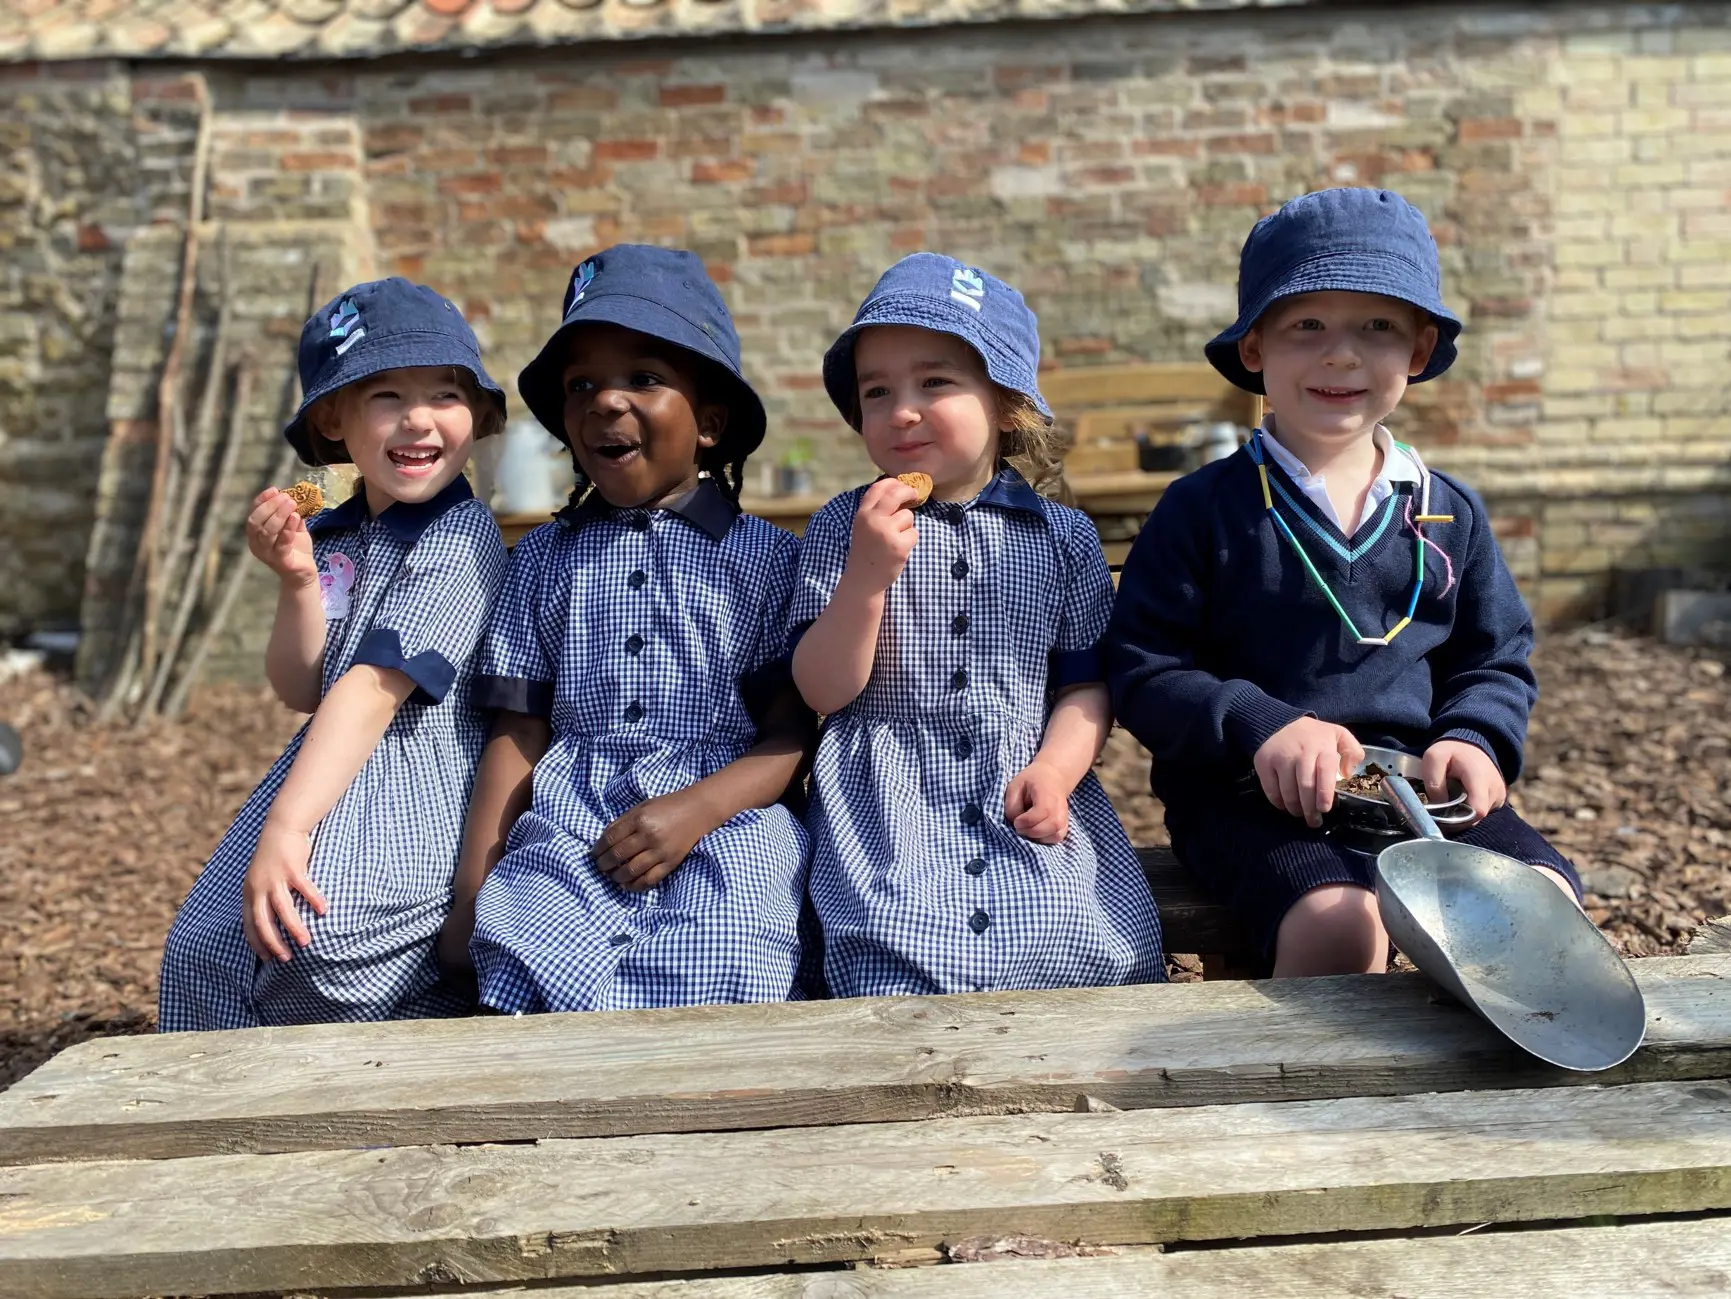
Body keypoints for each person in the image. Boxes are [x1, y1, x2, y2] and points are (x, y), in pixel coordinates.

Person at [1105, 187, 1581, 978]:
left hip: (1417, 790)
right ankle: (1313, 1066)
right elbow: (1144, 668)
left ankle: (1475, 1064)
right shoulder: (1203, 509)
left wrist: (1473, 737)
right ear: (1253, 346)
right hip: (1248, 794)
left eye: (1376, 328)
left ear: (1418, 351)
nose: (1341, 355)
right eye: (1307, 327)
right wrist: (1259, 725)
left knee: (1539, 904)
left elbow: (1493, 658)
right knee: (1340, 925)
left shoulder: (1447, 510)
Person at [441, 245, 813, 1012]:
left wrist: (697, 809)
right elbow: (518, 731)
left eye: (643, 378)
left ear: (710, 422)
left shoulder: (770, 560)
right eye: (581, 385)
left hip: (729, 822)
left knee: (734, 936)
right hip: (571, 822)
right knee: (526, 944)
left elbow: (789, 736)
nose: (605, 401)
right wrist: (471, 896)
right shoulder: (541, 559)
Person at [792, 252, 1166, 998]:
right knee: (889, 949)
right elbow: (821, 691)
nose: (902, 410)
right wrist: (866, 578)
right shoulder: (843, 524)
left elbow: (1084, 686)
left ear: (1005, 403)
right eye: (876, 391)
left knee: (1075, 938)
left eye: (934, 382)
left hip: (1018, 783)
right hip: (886, 804)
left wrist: (1056, 773)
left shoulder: (1061, 537)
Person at [159, 278, 509, 1029]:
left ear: (477, 415)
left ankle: (391, 1058)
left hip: (411, 787)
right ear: (333, 420)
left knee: (318, 944)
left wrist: (287, 827)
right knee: (202, 946)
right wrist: (295, 580)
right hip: (328, 773)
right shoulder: (336, 534)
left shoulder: (461, 536)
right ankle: (216, 1089)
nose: (418, 418)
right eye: (386, 396)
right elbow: (302, 686)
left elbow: (373, 688)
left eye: (445, 394)